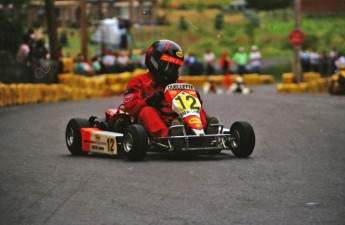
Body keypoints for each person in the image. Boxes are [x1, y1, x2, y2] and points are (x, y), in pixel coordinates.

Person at [123, 40, 218, 139]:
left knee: (198, 110)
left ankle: (203, 133)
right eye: (169, 66)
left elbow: (193, 106)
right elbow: (131, 107)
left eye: (175, 67)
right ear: (155, 62)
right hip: (153, 122)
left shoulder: (180, 84)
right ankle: (167, 135)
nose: (172, 70)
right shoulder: (139, 82)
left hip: (177, 119)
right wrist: (148, 101)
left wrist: (196, 99)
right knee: (146, 111)